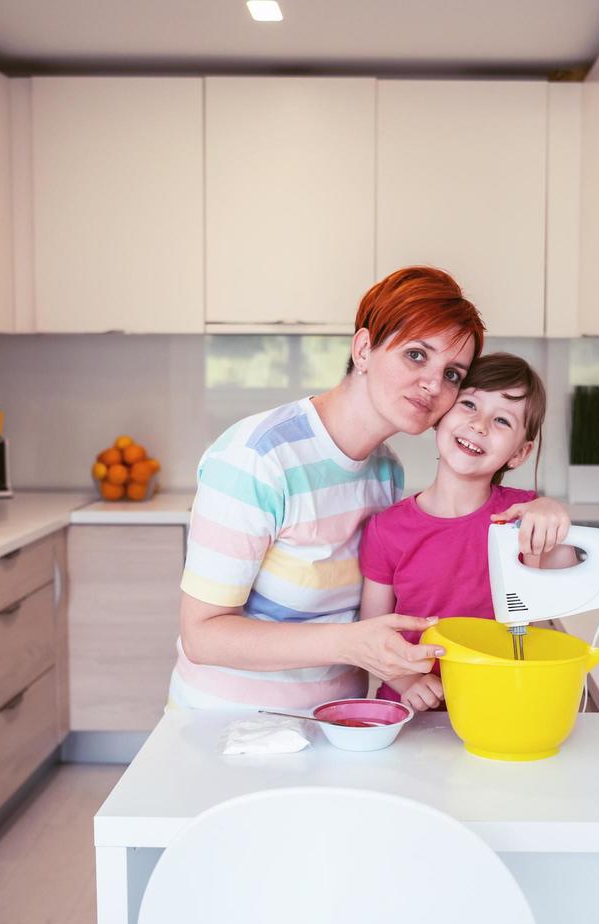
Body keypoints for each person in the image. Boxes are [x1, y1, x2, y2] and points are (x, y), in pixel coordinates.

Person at [173, 267, 487, 710]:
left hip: (341, 724)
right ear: (364, 349)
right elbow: (202, 635)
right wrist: (348, 644)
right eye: (417, 355)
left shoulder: (385, 471)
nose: (434, 384)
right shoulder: (258, 457)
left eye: (453, 373)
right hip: (231, 730)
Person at [358, 353, 577, 711]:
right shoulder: (387, 530)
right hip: (411, 711)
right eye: (469, 404)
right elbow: (373, 629)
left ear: (519, 453)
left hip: (502, 705)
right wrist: (408, 681)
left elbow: (566, 570)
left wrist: (552, 514)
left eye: (502, 420)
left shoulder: (522, 517)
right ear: (440, 415)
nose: (479, 425)